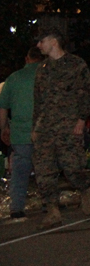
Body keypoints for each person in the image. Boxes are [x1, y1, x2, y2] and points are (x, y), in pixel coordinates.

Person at [32, 29, 90, 229]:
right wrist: (35, 127)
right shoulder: (42, 68)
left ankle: (84, 188)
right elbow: (38, 101)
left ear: (53, 42)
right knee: (44, 170)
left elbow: (86, 94)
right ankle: (52, 210)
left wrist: (80, 119)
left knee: (72, 167)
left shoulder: (76, 65)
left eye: (41, 41)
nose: (38, 46)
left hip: (68, 126)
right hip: (46, 127)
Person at [0, 47, 45, 220]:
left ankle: (17, 207)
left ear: (27, 58)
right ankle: (48, 203)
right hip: (43, 131)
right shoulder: (46, 76)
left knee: (20, 171)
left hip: (20, 132)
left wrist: (3, 128)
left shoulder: (14, 78)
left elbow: (3, 106)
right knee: (45, 168)